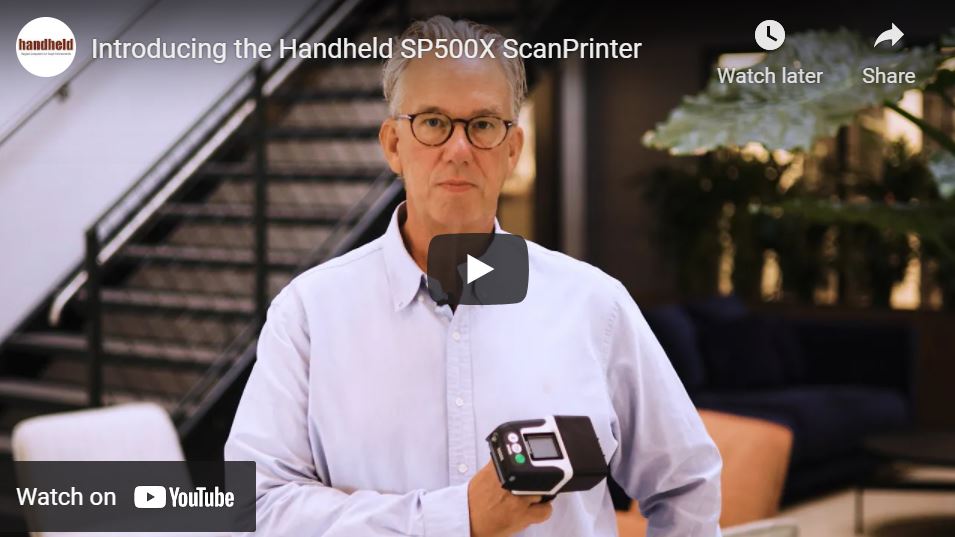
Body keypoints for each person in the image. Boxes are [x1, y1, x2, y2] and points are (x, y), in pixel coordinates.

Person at [225, 15, 722, 536]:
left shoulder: (595, 306)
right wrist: (456, 518)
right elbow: (257, 505)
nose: (459, 150)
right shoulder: (310, 314)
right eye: (433, 123)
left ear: (512, 149)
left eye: (483, 125)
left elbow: (686, 482)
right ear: (393, 145)